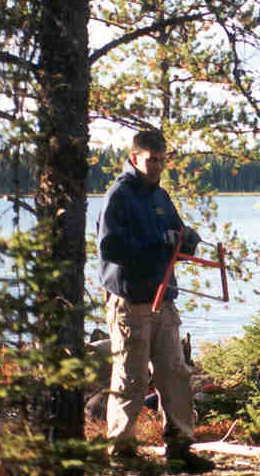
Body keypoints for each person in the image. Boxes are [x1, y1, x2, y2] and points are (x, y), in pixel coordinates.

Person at [97, 130, 214, 473]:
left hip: (163, 300)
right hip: (130, 301)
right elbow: (109, 248)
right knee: (130, 378)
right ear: (135, 158)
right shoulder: (118, 196)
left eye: (163, 160)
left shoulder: (160, 196)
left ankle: (179, 448)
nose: (158, 166)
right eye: (152, 160)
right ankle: (121, 454)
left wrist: (187, 240)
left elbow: (177, 235)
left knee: (175, 374)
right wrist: (156, 246)